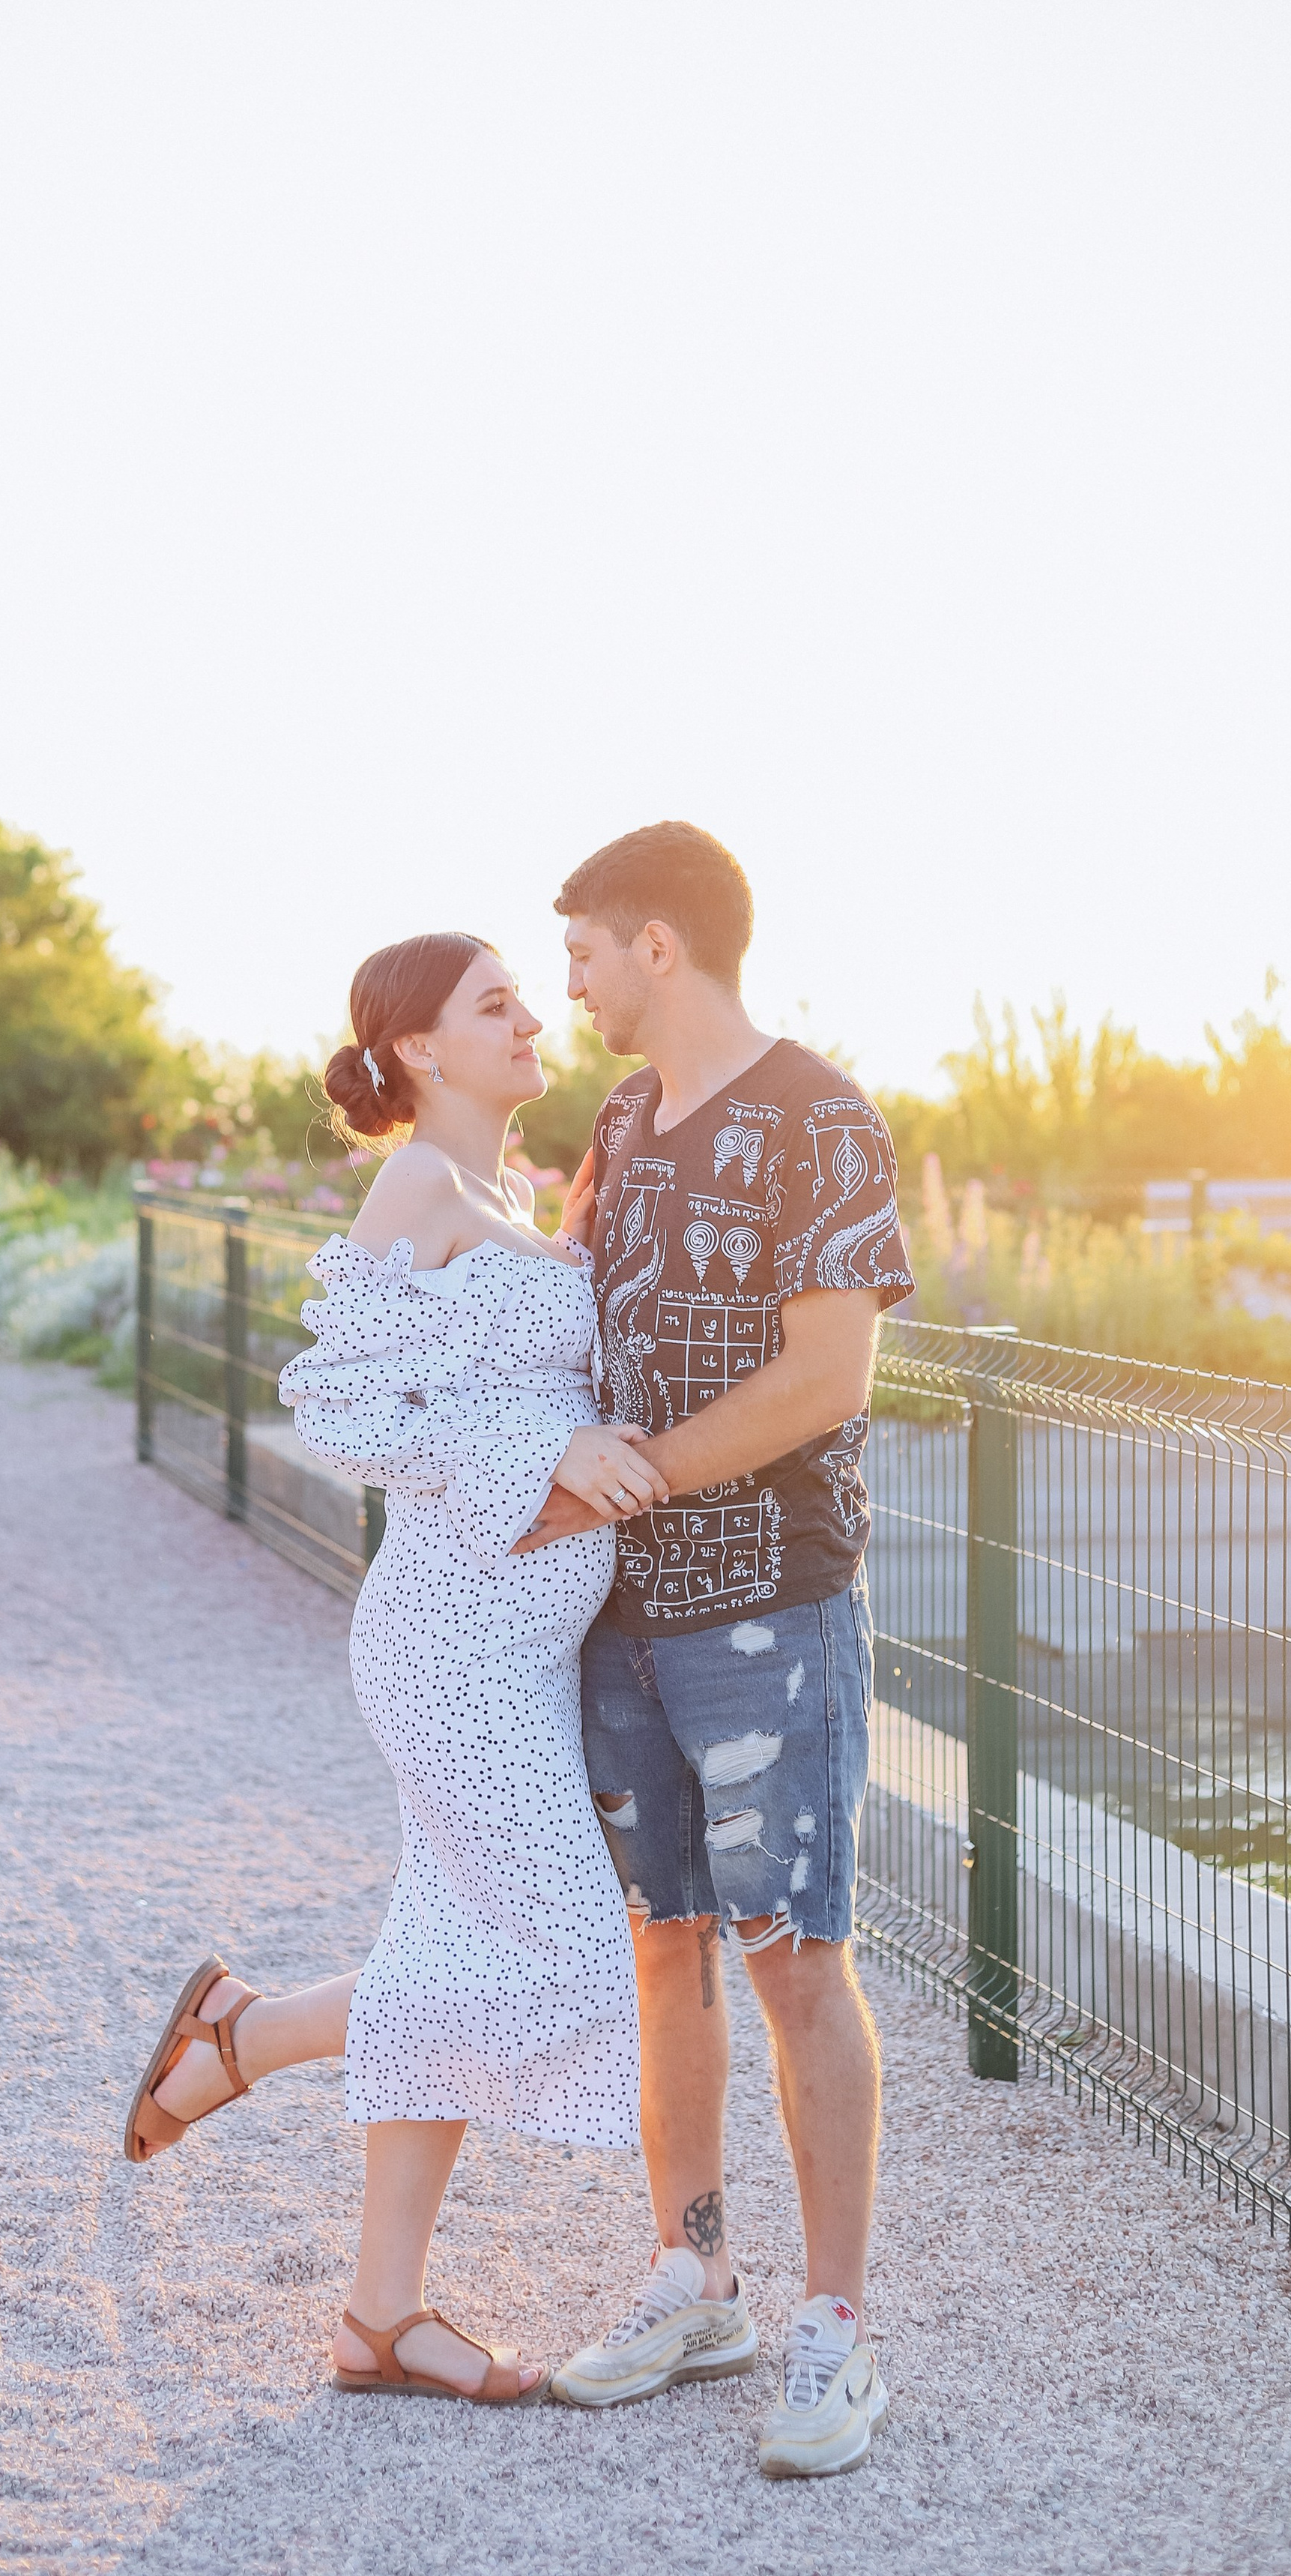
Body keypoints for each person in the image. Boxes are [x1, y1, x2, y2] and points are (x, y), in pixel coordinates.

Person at [121, 931, 662, 2406]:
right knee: (557, 1956)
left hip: (519, 1649)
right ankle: (247, 2034)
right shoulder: (417, 1183)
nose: (531, 1018)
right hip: (450, 1642)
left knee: (460, 1944)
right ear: (421, 1050)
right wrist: (542, 1450)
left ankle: (375, 2317)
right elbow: (339, 1410)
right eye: (497, 1004)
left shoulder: (504, 1200)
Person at [523, 821, 915, 2480]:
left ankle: (830, 2330)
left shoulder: (819, 1117)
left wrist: (639, 1471)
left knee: (791, 1957)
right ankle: (697, 2278)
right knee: (661, 1942)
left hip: (768, 1605)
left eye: (586, 956)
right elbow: (570, 1305)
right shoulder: (618, 1119)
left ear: (659, 946)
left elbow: (831, 1379)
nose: (574, 988)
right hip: (615, 1616)